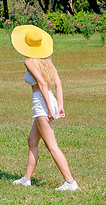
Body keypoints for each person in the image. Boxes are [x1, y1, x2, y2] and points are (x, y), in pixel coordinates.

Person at [10, 25, 79, 191]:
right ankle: (26, 179)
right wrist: (59, 106)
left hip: (42, 103)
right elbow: (58, 83)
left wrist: (49, 109)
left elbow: (41, 83)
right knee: (32, 141)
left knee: (51, 145)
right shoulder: (47, 61)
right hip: (50, 100)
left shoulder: (29, 61)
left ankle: (70, 182)